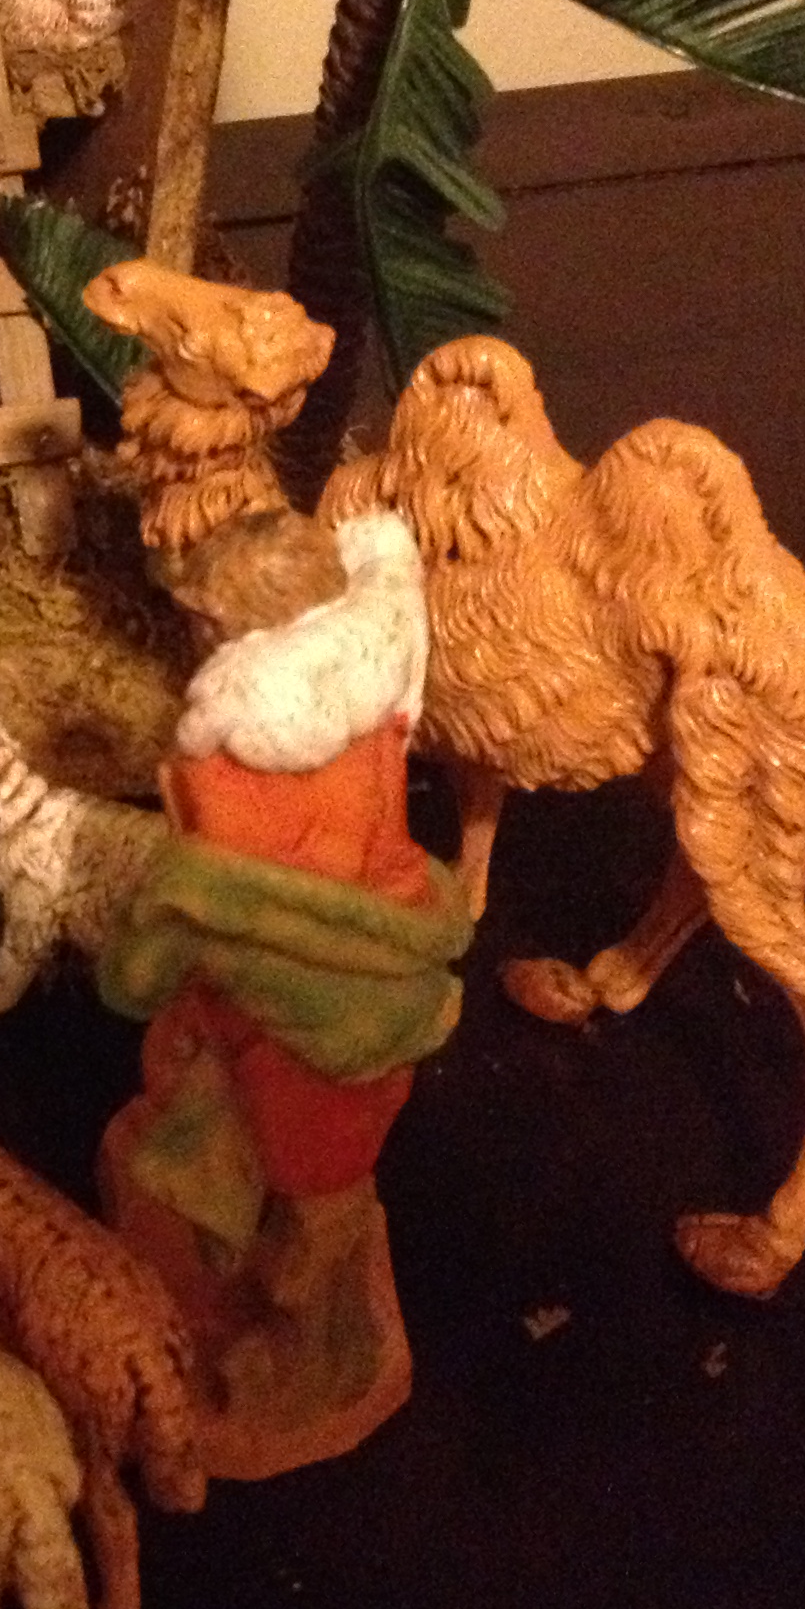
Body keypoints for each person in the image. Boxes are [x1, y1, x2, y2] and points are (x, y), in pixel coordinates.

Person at [91, 508, 472, 1479]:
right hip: (355, 988)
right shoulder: (369, 710)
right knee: (255, 1150)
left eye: (204, 621)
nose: (195, 638)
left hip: (300, 1023)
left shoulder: (232, 758)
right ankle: (262, 1265)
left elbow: (208, 895)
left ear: (237, 630)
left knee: (316, 1204)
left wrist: (144, 958)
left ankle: (307, 1361)